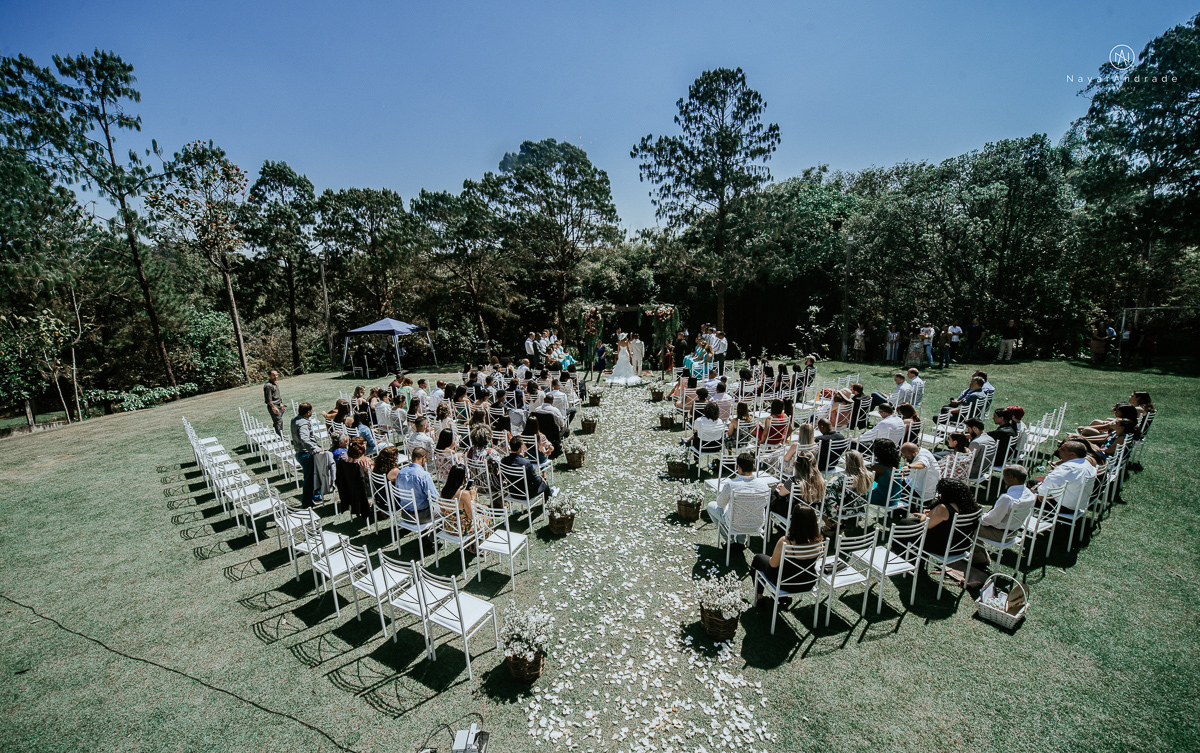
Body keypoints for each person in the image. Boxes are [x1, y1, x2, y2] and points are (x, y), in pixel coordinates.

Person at [751, 504, 823, 608]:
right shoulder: (819, 543)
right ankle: (784, 597)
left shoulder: (786, 542)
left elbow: (772, 565)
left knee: (758, 559)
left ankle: (759, 597)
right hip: (808, 582)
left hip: (785, 583)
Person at [909, 479, 980, 567]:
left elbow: (925, 524)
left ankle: (912, 561)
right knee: (910, 523)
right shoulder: (971, 506)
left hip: (944, 548)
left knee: (905, 525)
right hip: (962, 546)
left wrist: (923, 516)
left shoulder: (945, 508)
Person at [973, 464, 1034, 564]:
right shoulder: (1030, 494)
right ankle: (981, 555)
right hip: (1013, 532)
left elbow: (991, 520)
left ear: (1011, 477)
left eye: (1004, 475)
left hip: (999, 534)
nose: (1003, 478)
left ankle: (979, 558)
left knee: (965, 525)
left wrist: (975, 517)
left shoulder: (1008, 498)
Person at [706, 452, 771, 531]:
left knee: (710, 506)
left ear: (738, 467)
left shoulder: (731, 485)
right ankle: (740, 542)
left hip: (735, 524)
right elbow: (765, 504)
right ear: (753, 466)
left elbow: (720, 504)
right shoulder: (764, 485)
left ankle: (730, 541)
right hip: (757, 524)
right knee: (744, 510)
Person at [1035, 441, 1098, 511]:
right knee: (1034, 482)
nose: (1059, 449)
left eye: (1062, 449)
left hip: (1062, 506)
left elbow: (1050, 481)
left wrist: (1042, 493)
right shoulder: (1087, 464)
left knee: (1026, 494)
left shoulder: (1070, 467)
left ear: (1072, 454)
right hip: (1079, 503)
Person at [771, 452, 825, 519]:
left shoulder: (793, 481)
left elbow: (781, 494)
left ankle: (768, 528)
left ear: (797, 466)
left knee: (771, 493)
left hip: (793, 512)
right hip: (811, 511)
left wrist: (778, 487)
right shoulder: (820, 481)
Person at [501, 436, 552, 504]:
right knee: (545, 483)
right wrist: (541, 478)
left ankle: (550, 493)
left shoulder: (503, 461)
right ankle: (549, 501)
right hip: (527, 494)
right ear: (520, 448)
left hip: (512, 493)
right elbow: (536, 481)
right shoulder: (525, 463)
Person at [392, 446, 437, 523]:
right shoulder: (423, 475)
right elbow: (435, 498)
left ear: (412, 457)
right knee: (445, 511)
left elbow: (397, 493)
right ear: (424, 457)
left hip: (405, 515)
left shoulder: (400, 473)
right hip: (422, 516)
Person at [290, 402, 321, 508]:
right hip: (306, 453)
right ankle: (307, 502)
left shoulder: (295, 419)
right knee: (309, 479)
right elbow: (304, 438)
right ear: (308, 412)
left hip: (300, 452)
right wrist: (315, 449)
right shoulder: (303, 423)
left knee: (314, 475)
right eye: (311, 410)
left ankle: (316, 495)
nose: (312, 412)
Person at [439, 464, 477, 537]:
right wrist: (473, 497)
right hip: (462, 530)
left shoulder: (443, 491)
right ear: (462, 478)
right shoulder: (464, 495)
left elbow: (442, 510)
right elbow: (472, 516)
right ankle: (475, 547)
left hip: (448, 527)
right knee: (487, 514)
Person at [867, 438, 903, 508]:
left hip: (882, 499)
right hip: (895, 498)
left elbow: (864, 479)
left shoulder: (879, 468)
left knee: (858, 488)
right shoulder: (898, 465)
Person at [264, 370, 284, 437]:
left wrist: (281, 404)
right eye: (273, 375)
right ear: (269, 376)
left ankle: (277, 436)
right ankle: (280, 437)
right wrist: (273, 407)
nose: (275, 376)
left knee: (278, 421)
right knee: (279, 421)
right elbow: (268, 399)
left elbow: (277, 395)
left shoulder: (275, 383)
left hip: (278, 404)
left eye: (276, 375)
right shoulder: (268, 386)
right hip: (274, 406)